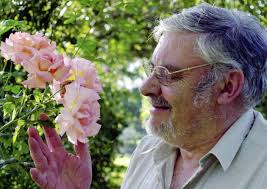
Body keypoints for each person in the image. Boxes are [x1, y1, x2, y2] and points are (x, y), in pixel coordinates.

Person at [28, 3, 267, 189]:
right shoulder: (148, 151)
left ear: (227, 87)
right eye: (152, 69)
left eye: (167, 74)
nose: (145, 87)